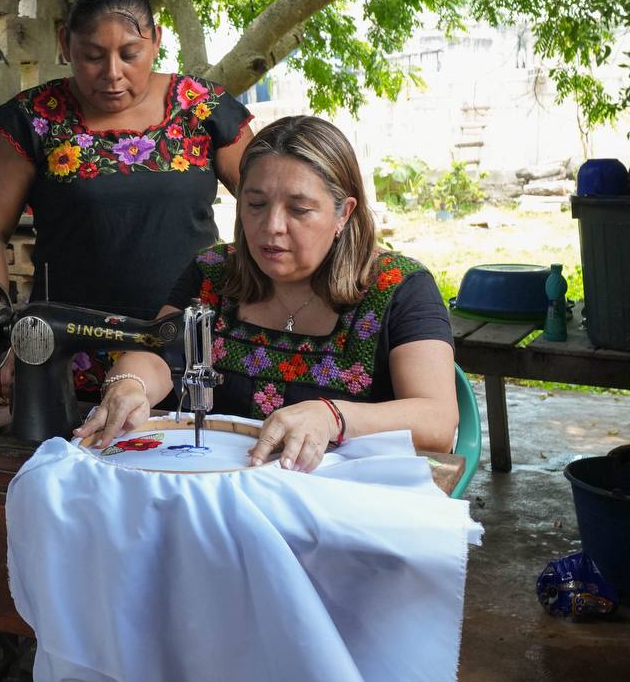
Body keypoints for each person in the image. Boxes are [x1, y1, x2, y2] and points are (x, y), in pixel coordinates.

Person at [75, 115, 459, 470]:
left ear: (343, 213)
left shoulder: (399, 288)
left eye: (299, 209)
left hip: (343, 496)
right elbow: (158, 354)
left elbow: (438, 422)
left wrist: (332, 416)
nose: (272, 225)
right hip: (223, 487)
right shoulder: (213, 273)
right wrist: (131, 384)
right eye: (256, 204)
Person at [0, 0, 254, 399]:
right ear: (65, 44)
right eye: (92, 56)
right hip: (67, 355)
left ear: (156, 40)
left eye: (130, 54)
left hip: (189, 347)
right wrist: (0, 333)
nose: (112, 72)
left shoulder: (202, 109)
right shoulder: (33, 119)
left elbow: (266, 205)